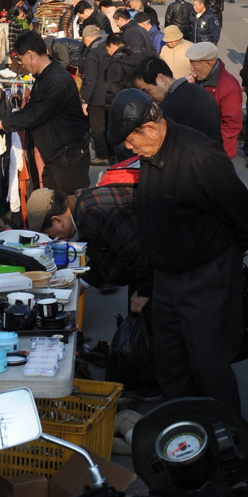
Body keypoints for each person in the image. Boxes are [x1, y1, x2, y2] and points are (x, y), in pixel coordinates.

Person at [107, 89, 248, 411]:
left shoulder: (201, 156)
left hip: (207, 275)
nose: (129, 148)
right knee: (170, 361)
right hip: (167, 277)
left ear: (151, 128)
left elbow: (241, 215)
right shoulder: (150, 155)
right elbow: (153, 225)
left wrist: (219, 261)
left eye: (131, 140)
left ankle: (226, 444)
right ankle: (181, 434)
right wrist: (146, 288)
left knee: (207, 362)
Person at [0, 32, 90, 195]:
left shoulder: (57, 80)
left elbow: (36, 114)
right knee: (53, 204)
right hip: (55, 155)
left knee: (71, 205)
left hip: (68, 156)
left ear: (30, 55)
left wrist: (2, 124)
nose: (22, 64)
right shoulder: (44, 78)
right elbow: (30, 109)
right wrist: (4, 123)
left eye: (21, 59)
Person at [26, 185, 152, 312]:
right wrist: (84, 283)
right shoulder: (82, 201)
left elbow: (136, 250)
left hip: (158, 262)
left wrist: (145, 291)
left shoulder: (89, 213)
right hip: (151, 259)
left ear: (57, 220)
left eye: (49, 233)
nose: (54, 237)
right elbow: (108, 254)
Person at [133, 56, 221, 140]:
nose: (149, 97)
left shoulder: (169, 108)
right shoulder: (199, 91)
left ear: (161, 78)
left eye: (148, 91)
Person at [185, 42, 242, 159]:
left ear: (208, 63)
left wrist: (204, 139)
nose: (191, 69)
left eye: (194, 65)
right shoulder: (198, 80)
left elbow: (232, 125)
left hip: (217, 151)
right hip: (200, 147)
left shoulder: (229, 86)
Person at [80, 26, 110, 165]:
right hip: (111, 93)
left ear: (86, 38)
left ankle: (103, 155)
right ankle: (111, 153)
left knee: (97, 128)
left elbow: (90, 79)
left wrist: (85, 100)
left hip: (97, 97)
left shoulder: (93, 54)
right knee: (108, 125)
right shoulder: (107, 47)